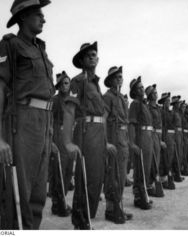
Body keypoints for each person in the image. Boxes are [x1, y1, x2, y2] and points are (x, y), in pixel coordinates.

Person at [0, 0, 55, 229]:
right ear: (23, 16)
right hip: (22, 122)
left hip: (44, 125)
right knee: (18, 196)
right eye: (38, 14)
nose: (43, 18)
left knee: (38, 196)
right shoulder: (10, 44)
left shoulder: (41, 50)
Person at [62, 42, 116, 229]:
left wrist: (106, 142)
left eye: (94, 54)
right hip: (86, 132)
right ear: (82, 61)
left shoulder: (95, 84)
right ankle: (81, 222)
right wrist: (67, 142)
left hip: (98, 134)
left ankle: (87, 218)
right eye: (88, 55)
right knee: (86, 178)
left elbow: (102, 117)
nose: (92, 57)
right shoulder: (78, 81)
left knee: (97, 178)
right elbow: (69, 111)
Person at [103, 66, 133, 223]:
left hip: (123, 136)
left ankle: (117, 206)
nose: (119, 79)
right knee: (113, 174)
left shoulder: (121, 97)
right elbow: (103, 118)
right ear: (110, 81)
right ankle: (111, 209)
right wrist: (106, 142)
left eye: (120, 76)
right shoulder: (107, 97)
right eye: (116, 77)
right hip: (113, 136)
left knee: (121, 175)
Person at [49, 71, 73, 217]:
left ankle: (62, 200)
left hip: (69, 137)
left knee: (68, 171)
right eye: (63, 83)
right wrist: (51, 140)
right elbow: (50, 121)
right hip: (58, 135)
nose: (65, 86)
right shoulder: (54, 100)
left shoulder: (71, 100)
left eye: (67, 83)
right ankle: (56, 204)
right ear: (58, 85)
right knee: (58, 171)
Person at [128, 77, 153, 209]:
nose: (142, 89)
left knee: (147, 166)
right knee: (140, 167)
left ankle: (144, 194)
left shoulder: (144, 104)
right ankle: (139, 196)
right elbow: (131, 124)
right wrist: (132, 143)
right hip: (141, 137)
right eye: (139, 88)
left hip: (148, 136)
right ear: (134, 91)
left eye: (143, 87)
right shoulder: (135, 104)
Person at [145, 84, 165, 197]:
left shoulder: (158, 108)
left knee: (156, 160)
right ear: (150, 95)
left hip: (158, 135)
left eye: (157, 92)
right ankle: (148, 184)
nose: (156, 94)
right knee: (151, 160)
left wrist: (160, 139)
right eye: (154, 92)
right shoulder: (148, 107)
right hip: (151, 134)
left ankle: (151, 183)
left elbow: (160, 124)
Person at [158, 92, 176, 190]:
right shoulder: (161, 112)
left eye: (169, 101)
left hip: (170, 136)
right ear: (163, 102)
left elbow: (172, 125)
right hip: (163, 134)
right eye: (167, 101)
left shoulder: (171, 113)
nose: (168, 103)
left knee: (169, 157)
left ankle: (166, 177)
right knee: (162, 158)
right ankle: (162, 179)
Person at [170, 95, 185, 182]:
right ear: (175, 104)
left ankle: (178, 173)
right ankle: (175, 174)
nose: (179, 104)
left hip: (180, 132)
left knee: (179, 153)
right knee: (175, 154)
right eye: (178, 103)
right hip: (175, 133)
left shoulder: (179, 113)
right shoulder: (172, 113)